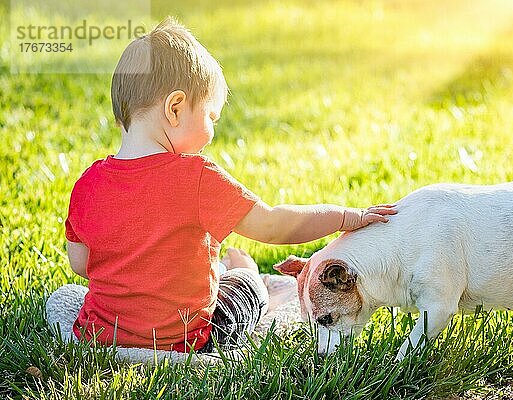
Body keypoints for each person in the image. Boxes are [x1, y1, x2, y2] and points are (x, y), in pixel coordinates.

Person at [59, 17, 396, 353]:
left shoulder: (87, 185)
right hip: (185, 340)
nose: (213, 133)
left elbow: (81, 263)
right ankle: (245, 273)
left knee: (68, 298)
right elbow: (274, 225)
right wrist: (346, 217)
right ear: (175, 108)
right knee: (244, 288)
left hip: (101, 334)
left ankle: (222, 272)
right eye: (211, 117)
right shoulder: (196, 176)